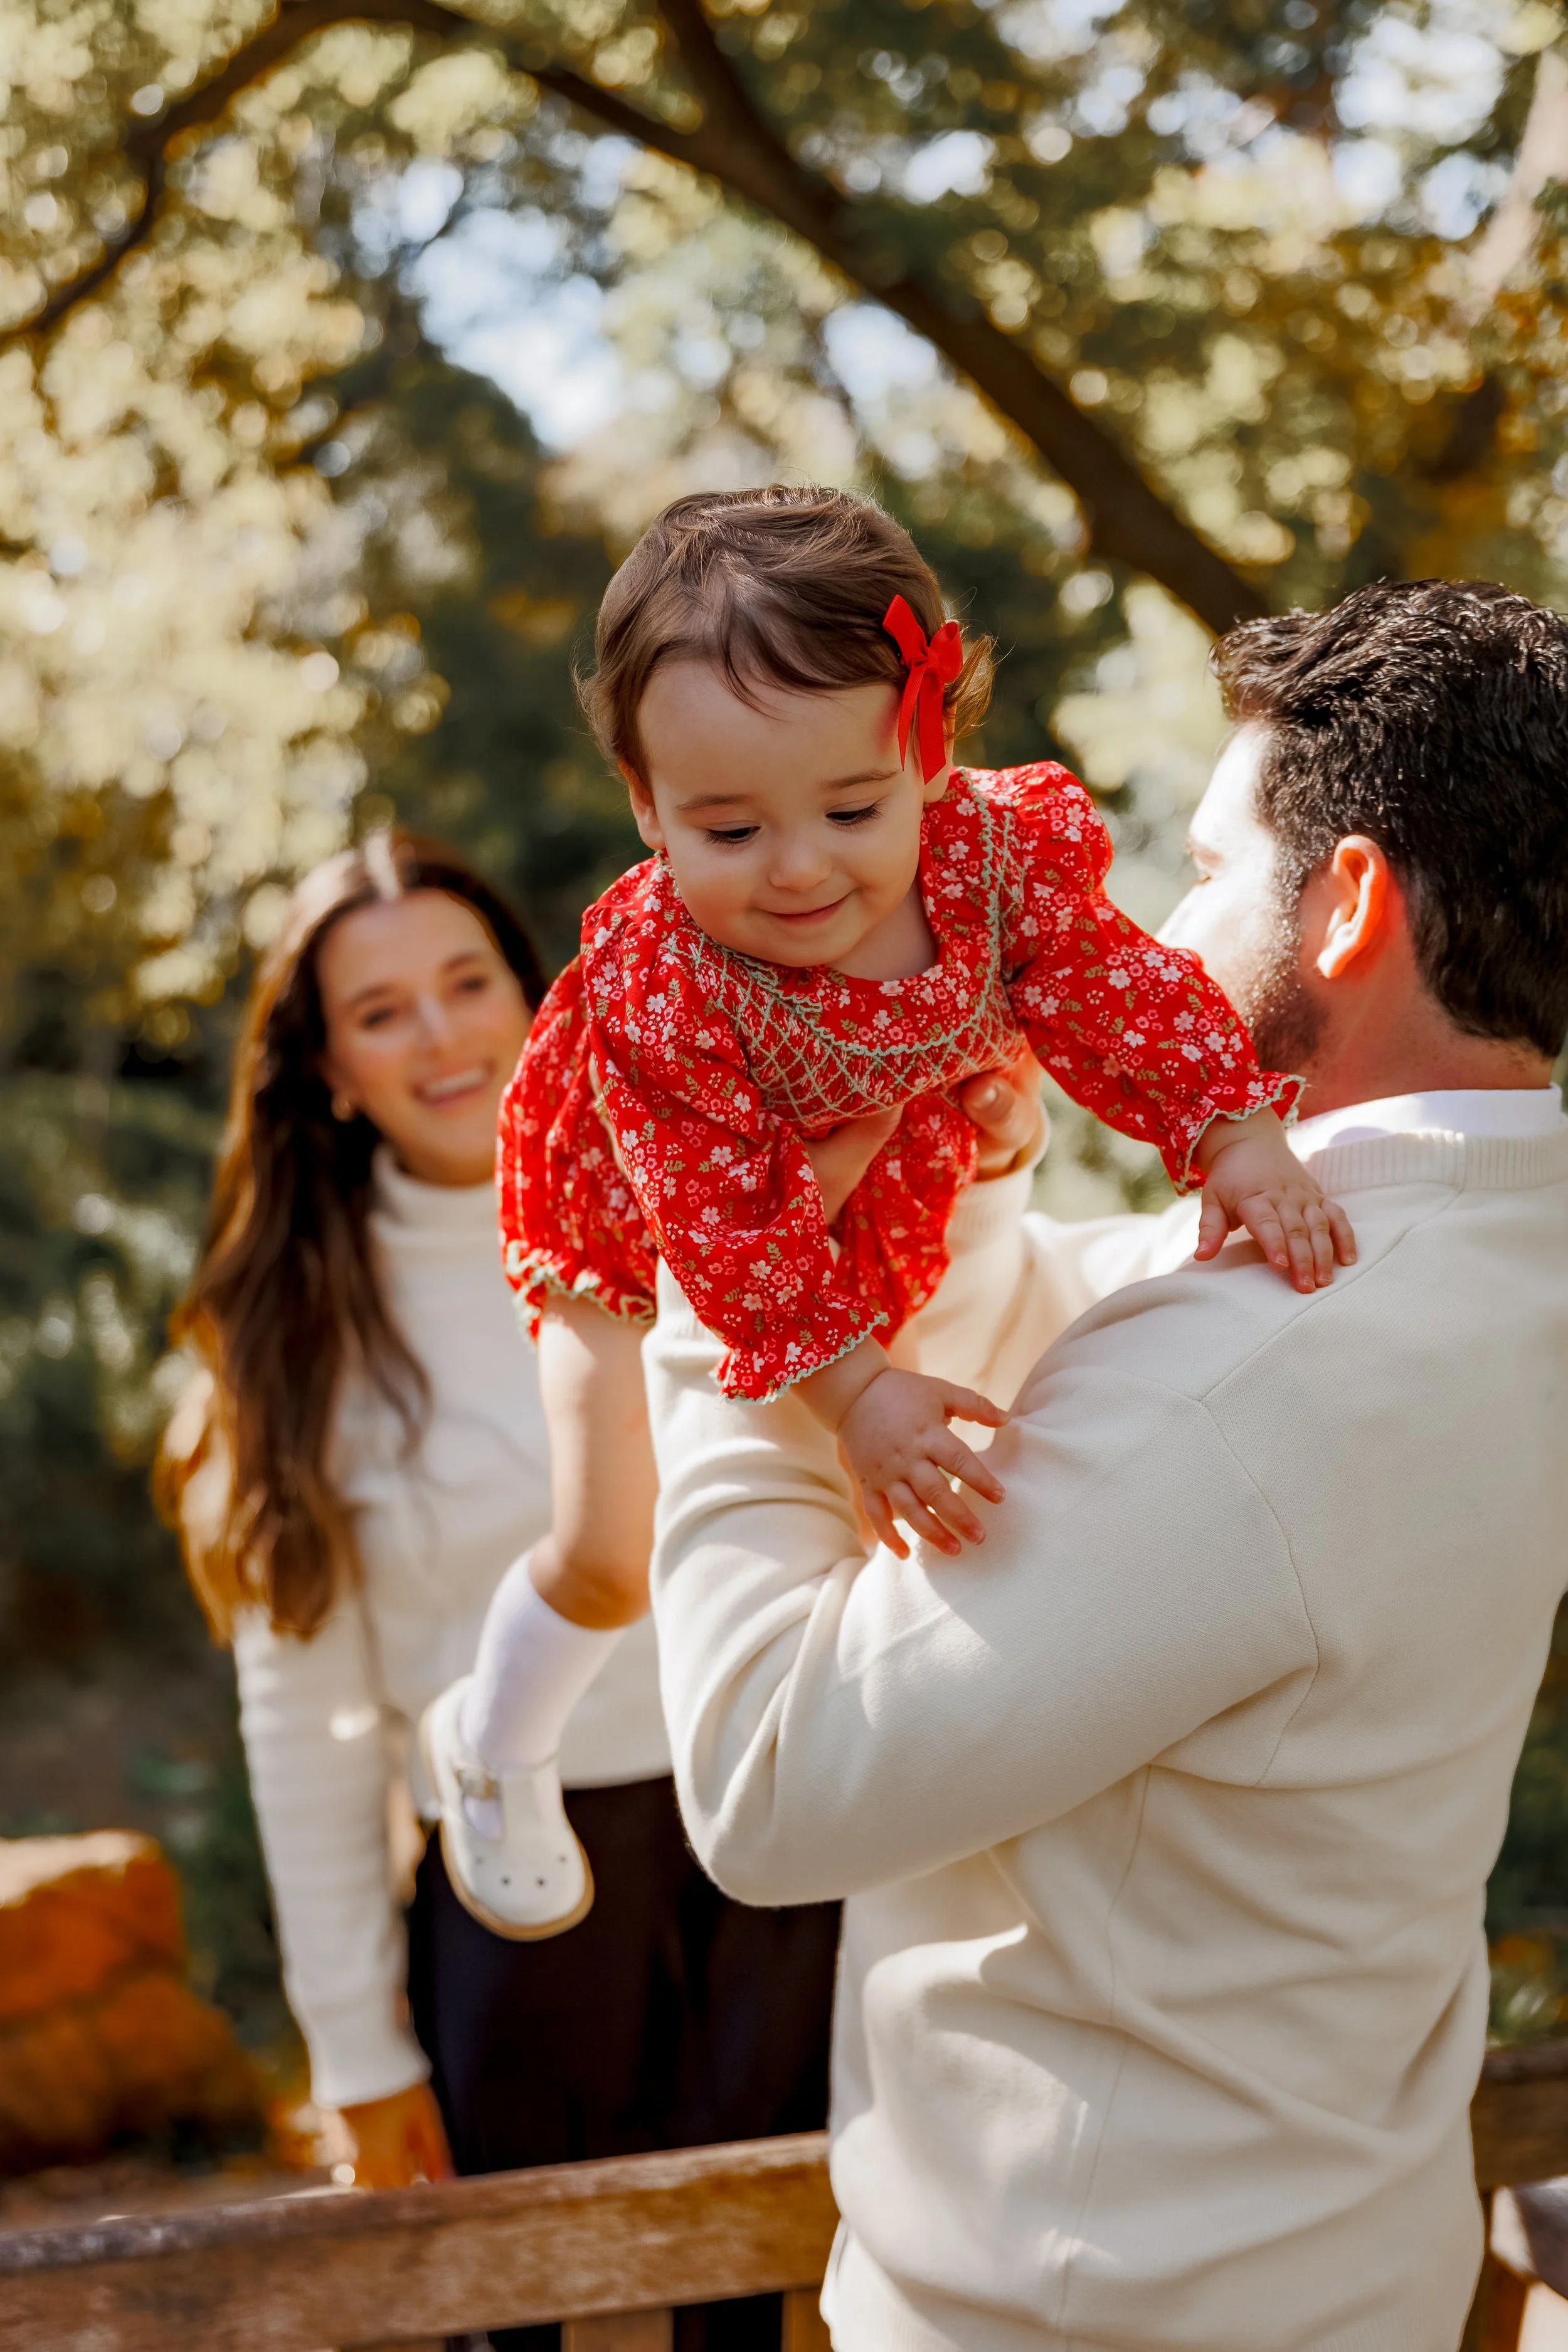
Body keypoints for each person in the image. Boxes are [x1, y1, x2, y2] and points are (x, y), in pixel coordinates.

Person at [640, 578, 1568, 2351]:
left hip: (1084, 2311)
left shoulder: (1262, 1371)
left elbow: (770, 1779)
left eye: (1208, 871)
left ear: (1353, 901)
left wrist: (722, 1303)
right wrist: (974, 1168)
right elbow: (1090, 1357)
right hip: (1317, 2269)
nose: (1155, 924)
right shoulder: (1478, 1255)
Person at [423, 485, 1350, 1942]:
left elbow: (1110, 994)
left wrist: (1227, 1133)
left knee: (904, 1474)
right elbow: (721, 1231)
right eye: (725, 828)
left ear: (927, 750)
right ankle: (492, 1735)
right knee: (613, 1538)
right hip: (651, 1207)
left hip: (875, 1156)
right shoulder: (665, 984)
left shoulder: (990, 862)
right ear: (645, 805)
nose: (798, 869)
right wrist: (848, 1387)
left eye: (851, 809)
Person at [156, 827, 1039, 2352]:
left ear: (537, 990)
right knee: (532, 2312)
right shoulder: (288, 1339)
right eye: (380, 1012)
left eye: (466, 982)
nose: (439, 1034)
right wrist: (358, 2052)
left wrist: (993, 1158)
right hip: (525, 1888)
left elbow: (933, 1349)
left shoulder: (716, 1175)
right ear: (324, 1069)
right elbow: (306, 1727)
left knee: (766, 2296)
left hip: (771, 1816)